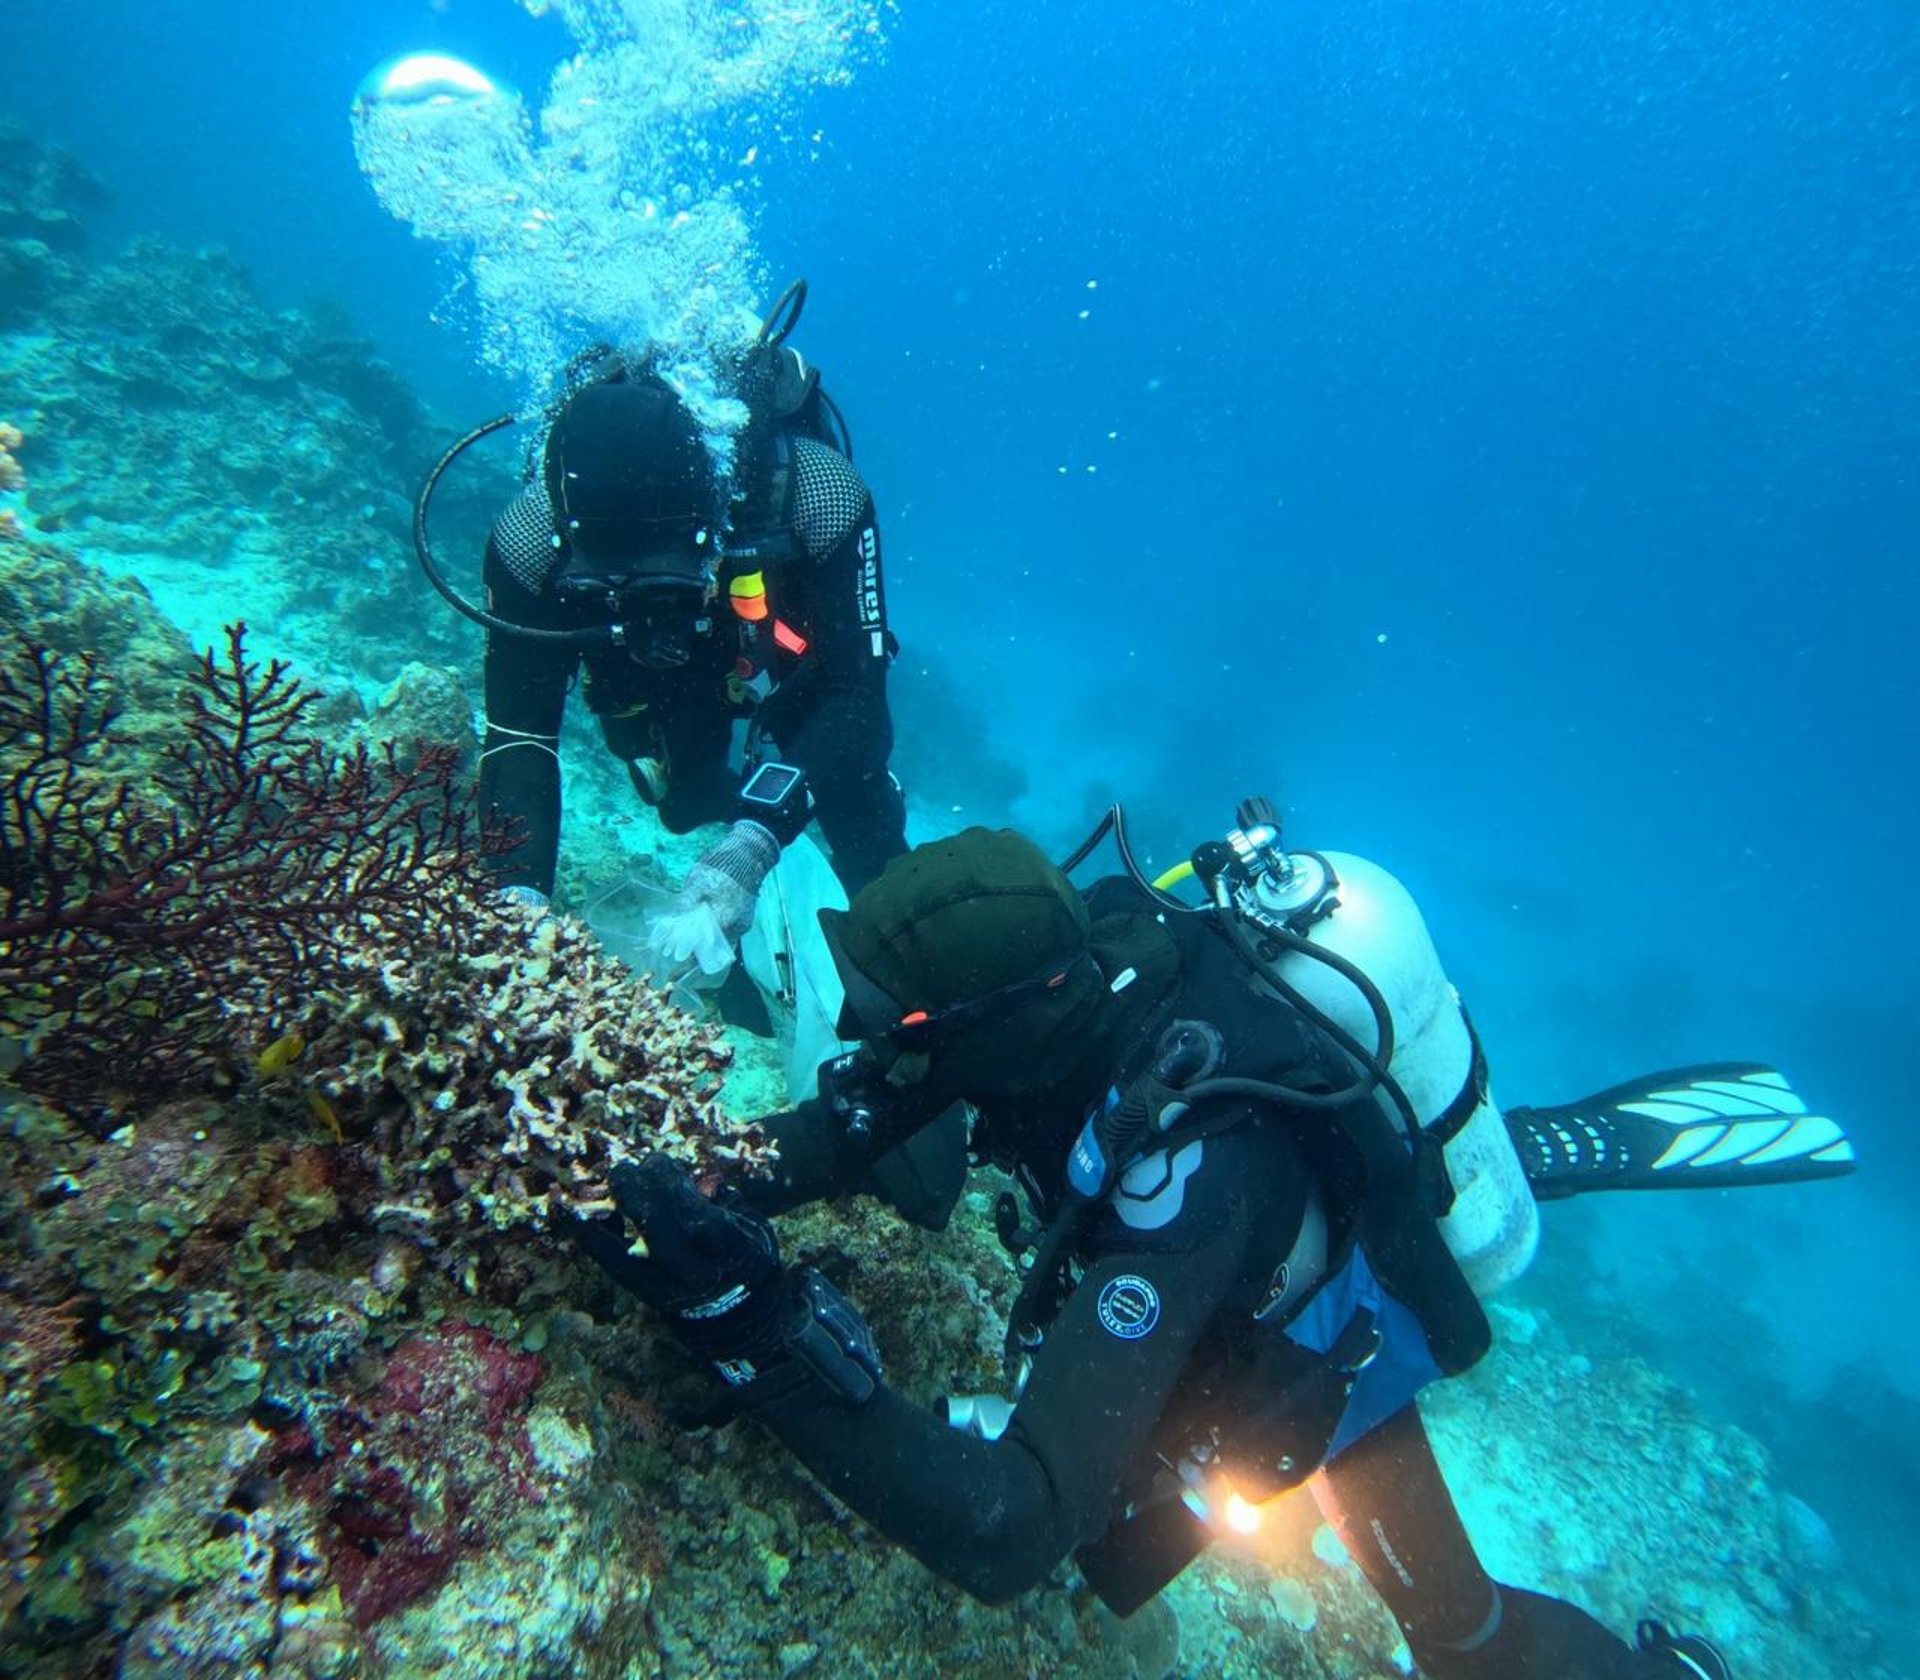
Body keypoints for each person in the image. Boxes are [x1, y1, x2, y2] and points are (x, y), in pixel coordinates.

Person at [579, 811, 1849, 1677]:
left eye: (894, 1019)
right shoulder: (1045, 983)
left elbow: (1011, 1529)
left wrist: (760, 1332)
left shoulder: (1187, 1181)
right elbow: (841, 1128)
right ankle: (1430, 1155)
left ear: (996, 1019)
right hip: (1233, 1206)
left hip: (1301, 1324)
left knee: (1459, 1640)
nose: (871, 1043)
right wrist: (641, 1180)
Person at [471, 284, 907, 976]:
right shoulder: (530, 541)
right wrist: (511, 910)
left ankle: (912, 962)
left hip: (781, 652)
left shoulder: (817, 496)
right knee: (687, 803)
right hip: (654, 680)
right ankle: (722, 801)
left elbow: (856, 696)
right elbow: (520, 734)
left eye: (665, 583)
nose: (649, 604)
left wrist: (752, 847)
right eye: (610, 584)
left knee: (857, 796)